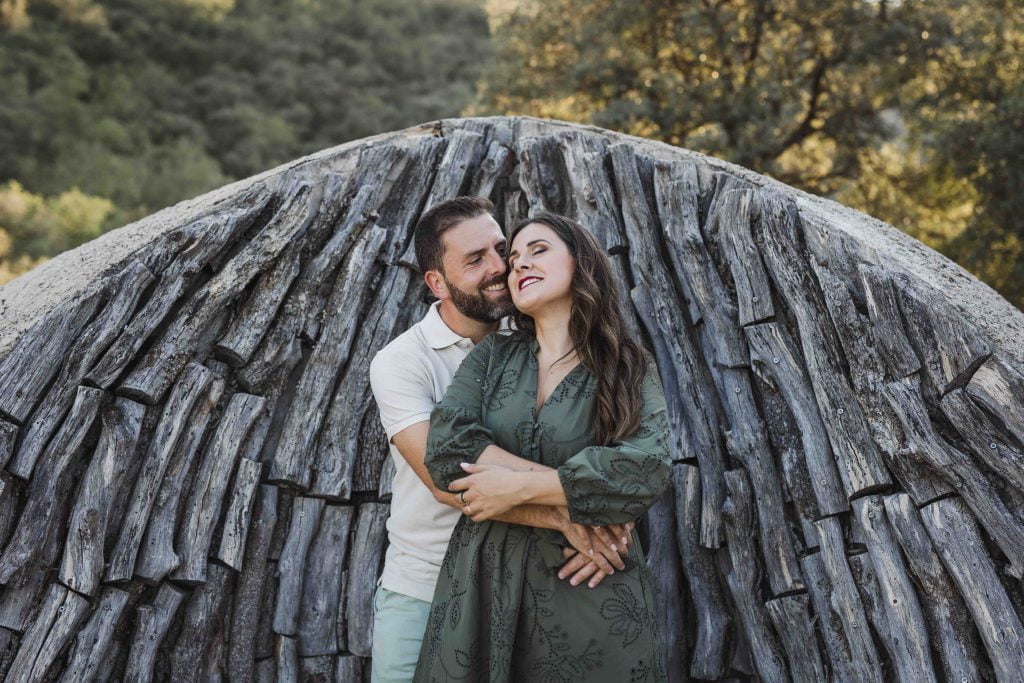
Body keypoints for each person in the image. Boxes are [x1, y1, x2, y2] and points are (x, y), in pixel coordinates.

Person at [368, 198, 634, 682]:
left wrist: (609, 502)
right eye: (475, 260)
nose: (498, 268)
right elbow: (446, 482)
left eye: (500, 250)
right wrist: (575, 516)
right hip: (426, 588)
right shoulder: (402, 362)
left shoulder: (543, 343)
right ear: (437, 283)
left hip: (526, 587)